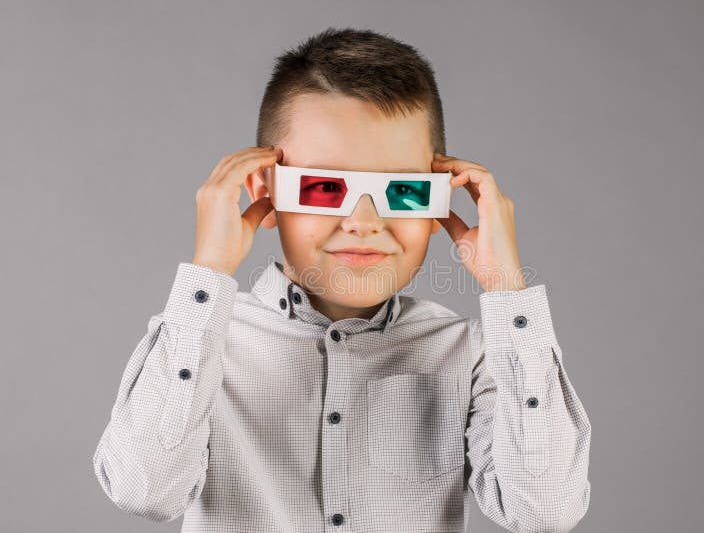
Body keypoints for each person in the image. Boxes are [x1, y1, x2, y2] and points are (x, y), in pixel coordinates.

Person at [91, 26, 591, 532]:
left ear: (440, 200)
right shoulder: (200, 342)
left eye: (404, 191)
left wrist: (507, 287)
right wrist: (209, 271)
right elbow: (145, 492)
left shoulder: (467, 353)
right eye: (325, 187)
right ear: (264, 191)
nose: (363, 221)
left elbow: (543, 511)